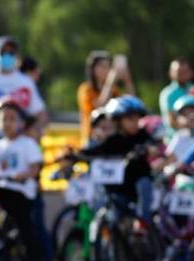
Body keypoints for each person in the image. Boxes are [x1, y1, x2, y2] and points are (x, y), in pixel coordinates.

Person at [0, 97, 48, 261]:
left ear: (21, 122)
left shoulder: (27, 144)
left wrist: (23, 175)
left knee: (28, 231)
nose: (8, 123)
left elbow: (34, 168)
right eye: (4, 118)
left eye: (12, 118)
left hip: (20, 193)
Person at [64, 95, 155, 223]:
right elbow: (96, 151)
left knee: (144, 183)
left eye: (137, 119)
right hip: (120, 188)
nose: (135, 123)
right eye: (130, 119)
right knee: (112, 208)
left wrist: (150, 149)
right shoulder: (114, 140)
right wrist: (74, 155)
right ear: (118, 120)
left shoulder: (142, 135)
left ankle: (143, 223)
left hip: (137, 186)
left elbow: (152, 145)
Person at [0, 36, 47, 140]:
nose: (7, 55)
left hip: (19, 139)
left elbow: (40, 113)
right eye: (3, 52)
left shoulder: (26, 82)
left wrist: (36, 133)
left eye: (11, 53)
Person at [77, 50, 135, 143]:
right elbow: (99, 108)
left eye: (108, 66)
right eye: (103, 66)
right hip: (92, 138)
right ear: (93, 69)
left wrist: (127, 81)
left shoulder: (114, 90)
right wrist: (110, 81)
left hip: (111, 138)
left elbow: (131, 104)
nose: (106, 70)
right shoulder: (85, 89)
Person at [161, 95, 194, 167]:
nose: (189, 117)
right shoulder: (180, 136)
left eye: (192, 112)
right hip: (186, 174)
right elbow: (169, 158)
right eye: (184, 114)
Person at [158, 59, 194, 135]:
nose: (183, 74)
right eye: (179, 72)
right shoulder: (167, 94)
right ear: (171, 73)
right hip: (174, 139)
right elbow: (172, 121)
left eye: (185, 71)